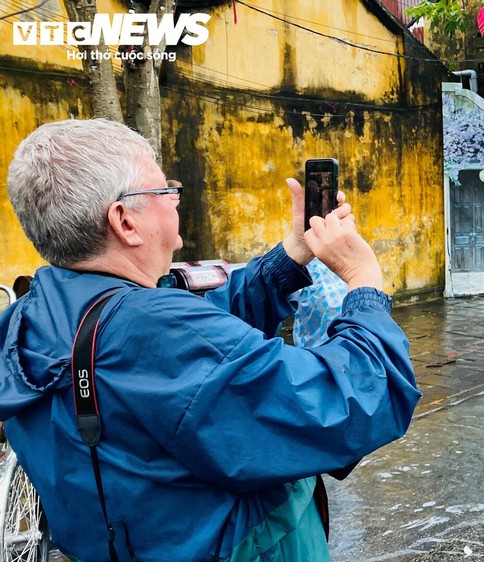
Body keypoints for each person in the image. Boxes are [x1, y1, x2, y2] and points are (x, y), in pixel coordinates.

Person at [0, 118, 421, 561]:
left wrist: (293, 252)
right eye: (165, 191)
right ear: (125, 221)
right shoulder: (156, 331)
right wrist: (364, 283)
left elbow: (203, 330)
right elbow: (352, 400)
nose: (175, 200)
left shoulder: (34, 314)